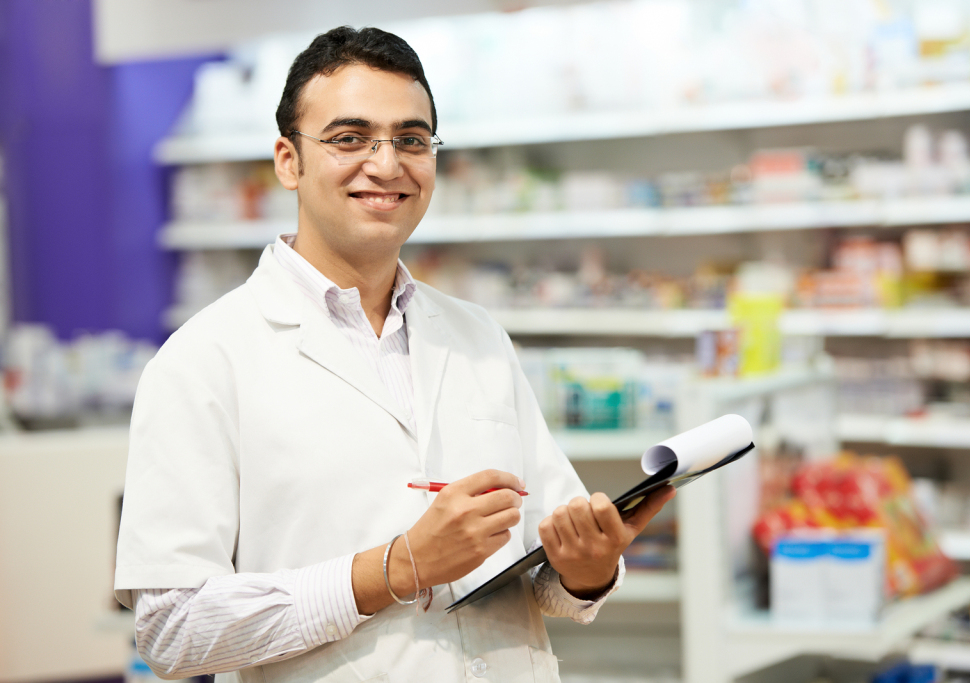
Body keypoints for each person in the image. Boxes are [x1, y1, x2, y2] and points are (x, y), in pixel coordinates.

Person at [114, 26, 674, 683]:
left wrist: (587, 567)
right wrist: (396, 566)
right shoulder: (204, 360)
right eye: (350, 138)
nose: (386, 164)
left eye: (411, 140)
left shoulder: (477, 336)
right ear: (288, 160)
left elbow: (549, 575)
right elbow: (172, 630)